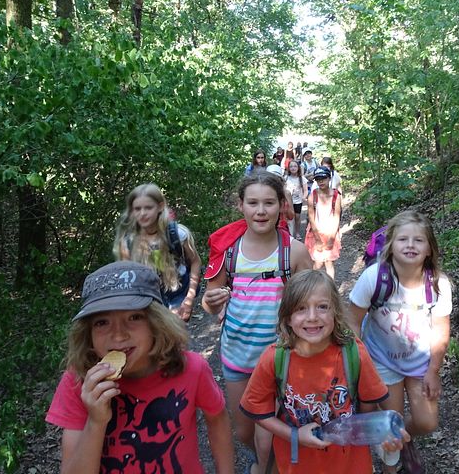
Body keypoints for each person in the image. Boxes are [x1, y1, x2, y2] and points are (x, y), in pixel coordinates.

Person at [46, 261, 235, 474]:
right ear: (87, 333)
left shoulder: (191, 368)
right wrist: (96, 422)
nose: (118, 334)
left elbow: (217, 419)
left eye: (134, 317)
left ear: (156, 323)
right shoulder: (79, 380)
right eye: (102, 322)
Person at [240, 269, 408, 474]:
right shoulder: (274, 358)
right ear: (288, 317)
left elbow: (368, 411)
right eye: (301, 308)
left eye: (322, 307)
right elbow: (258, 411)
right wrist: (295, 435)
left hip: (350, 464)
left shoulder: (353, 353)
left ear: (335, 312)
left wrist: (382, 436)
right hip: (298, 464)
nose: (312, 317)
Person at [202, 173, 313, 470]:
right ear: (241, 205)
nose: (260, 210)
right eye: (252, 203)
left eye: (268, 203)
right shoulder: (228, 251)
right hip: (237, 354)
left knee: (267, 435)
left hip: (281, 358)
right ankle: (266, 460)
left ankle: (268, 465)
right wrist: (211, 302)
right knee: (244, 432)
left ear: (281, 205)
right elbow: (210, 301)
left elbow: (312, 303)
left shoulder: (295, 252)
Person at [347, 210, 452, 474]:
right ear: (391, 246)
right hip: (381, 360)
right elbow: (352, 321)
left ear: (430, 249)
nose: (410, 245)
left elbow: (441, 330)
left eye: (419, 240)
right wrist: (360, 365)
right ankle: (390, 467)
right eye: (403, 239)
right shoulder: (374, 278)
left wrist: (433, 371)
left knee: (427, 423)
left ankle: (404, 441)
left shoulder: (438, 284)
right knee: (390, 426)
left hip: (420, 361)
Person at [113, 184, 202, 322]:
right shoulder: (128, 242)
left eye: (148, 208)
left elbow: (195, 262)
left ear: (160, 207)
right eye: (137, 209)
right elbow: (127, 277)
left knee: (176, 337)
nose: (142, 213)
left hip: (176, 292)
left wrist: (189, 298)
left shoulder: (177, 234)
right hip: (148, 296)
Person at [305, 166, 342, 279]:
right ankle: (312, 287)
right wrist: (317, 239)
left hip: (331, 231)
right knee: (317, 263)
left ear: (329, 178)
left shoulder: (336, 195)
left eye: (323, 178)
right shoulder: (313, 195)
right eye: (318, 179)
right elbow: (311, 217)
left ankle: (330, 289)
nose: (321, 181)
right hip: (316, 232)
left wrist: (331, 238)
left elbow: (337, 216)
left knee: (329, 263)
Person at [285, 160, 308, 240]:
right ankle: (289, 233)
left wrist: (304, 197)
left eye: (295, 166)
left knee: (297, 217)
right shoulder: (286, 178)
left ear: (298, 168)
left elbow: (305, 190)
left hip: (298, 201)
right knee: (289, 217)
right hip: (288, 201)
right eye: (291, 166)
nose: (293, 168)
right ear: (288, 168)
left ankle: (297, 232)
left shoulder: (302, 178)